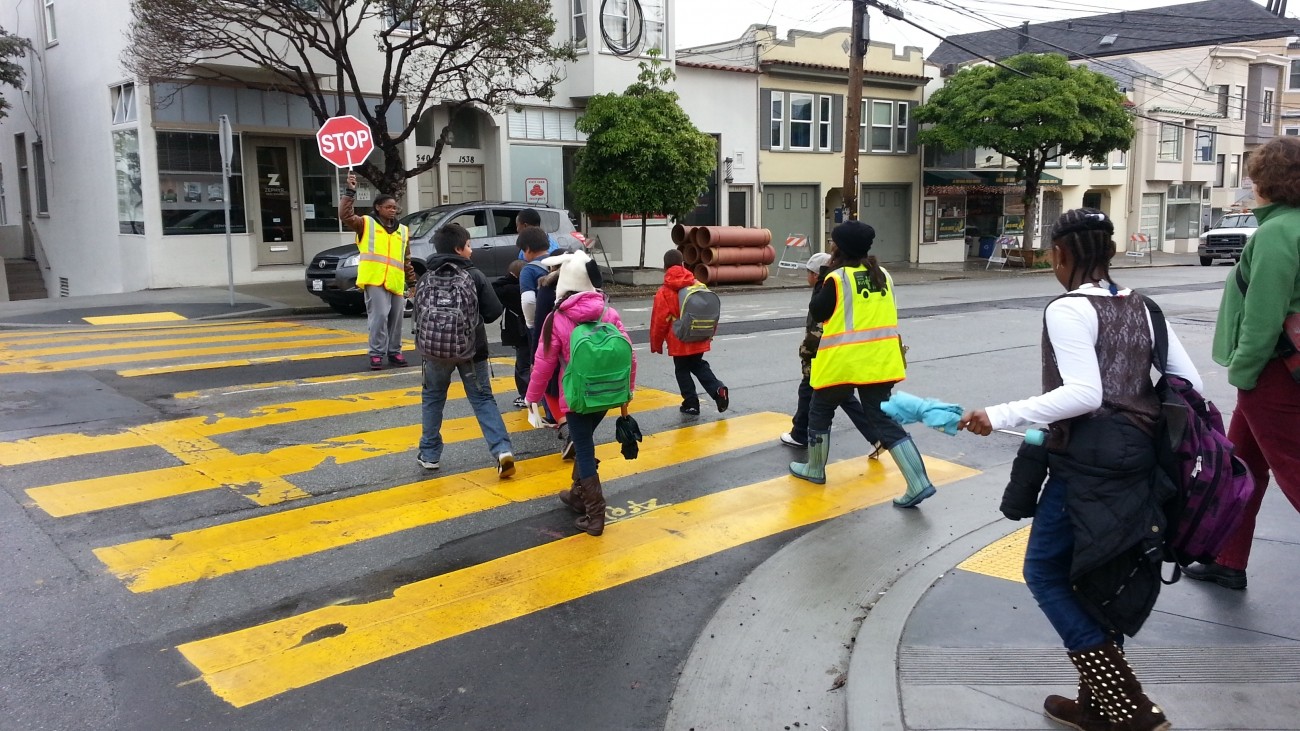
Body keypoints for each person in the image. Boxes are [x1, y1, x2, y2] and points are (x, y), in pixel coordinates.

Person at [959, 208, 1202, 731]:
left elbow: (1084, 394)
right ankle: (1096, 706)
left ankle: (1125, 703)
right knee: (1099, 572)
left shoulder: (1067, 309)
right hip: (1139, 457)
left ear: (1061, 254)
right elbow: (1188, 382)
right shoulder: (1145, 307)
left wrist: (998, 415)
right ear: (1110, 253)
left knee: (1044, 572)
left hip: (1087, 462)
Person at [1187, 135, 1300, 591]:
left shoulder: (1277, 233)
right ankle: (1228, 560)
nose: (1251, 184)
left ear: (1269, 182)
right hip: (1286, 370)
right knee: (1241, 468)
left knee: (1294, 470)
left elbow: (1262, 319)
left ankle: (1227, 560)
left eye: (1255, 177)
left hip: (1273, 373)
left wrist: (1243, 373)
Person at [789, 221, 936, 509]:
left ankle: (815, 469)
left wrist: (824, 277)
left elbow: (818, 311)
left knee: (820, 411)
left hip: (844, 363)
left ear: (839, 248)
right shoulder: (883, 275)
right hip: (880, 362)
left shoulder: (837, 278)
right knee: (883, 418)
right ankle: (918, 481)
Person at [527, 250, 635, 536]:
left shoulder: (557, 318)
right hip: (608, 395)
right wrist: (628, 391)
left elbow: (544, 363)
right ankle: (578, 495)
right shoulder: (607, 313)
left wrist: (532, 397)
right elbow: (630, 356)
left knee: (584, 449)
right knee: (582, 440)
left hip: (575, 399)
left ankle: (595, 514)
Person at [415, 222, 516, 479]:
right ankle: (502, 450)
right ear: (459, 249)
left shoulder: (426, 276)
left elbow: (417, 314)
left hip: (433, 352)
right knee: (482, 400)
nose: (471, 250)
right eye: (469, 246)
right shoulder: (474, 275)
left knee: (433, 398)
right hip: (473, 351)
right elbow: (493, 312)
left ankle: (429, 455)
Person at [782, 250, 885, 454]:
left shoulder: (826, 287)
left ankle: (801, 436)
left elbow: (816, 327)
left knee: (813, 391)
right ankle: (875, 436)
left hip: (826, 354)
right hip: (840, 352)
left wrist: (806, 352)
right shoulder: (843, 283)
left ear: (815, 274)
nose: (808, 277)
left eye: (809, 273)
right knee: (840, 394)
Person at [341, 171, 415, 370]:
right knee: (380, 316)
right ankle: (376, 354)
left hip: (396, 281)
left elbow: (406, 259)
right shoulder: (366, 224)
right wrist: (350, 191)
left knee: (396, 319)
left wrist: (413, 282)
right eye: (388, 207)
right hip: (374, 279)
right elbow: (345, 215)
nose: (393, 210)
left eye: (395, 207)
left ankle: (395, 352)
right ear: (378, 208)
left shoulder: (403, 230)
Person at [649, 249, 729, 416]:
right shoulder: (697, 284)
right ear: (683, 265)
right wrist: (710, 333)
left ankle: (691, 403)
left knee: (682, 369)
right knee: (698, 365)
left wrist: (656, 344)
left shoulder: (664, 292)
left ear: (665, 268)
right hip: (699, 335)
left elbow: (659, 321)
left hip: (679, 339)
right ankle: (717, 390)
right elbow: (709, 310)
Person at [492, 259, 531, 409]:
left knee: (523, 366)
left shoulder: (509, 290)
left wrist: (510, 276)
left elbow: (494, 286)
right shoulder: (528, 289)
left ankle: (526, 396)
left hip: (519, 333)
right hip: (530, 331)